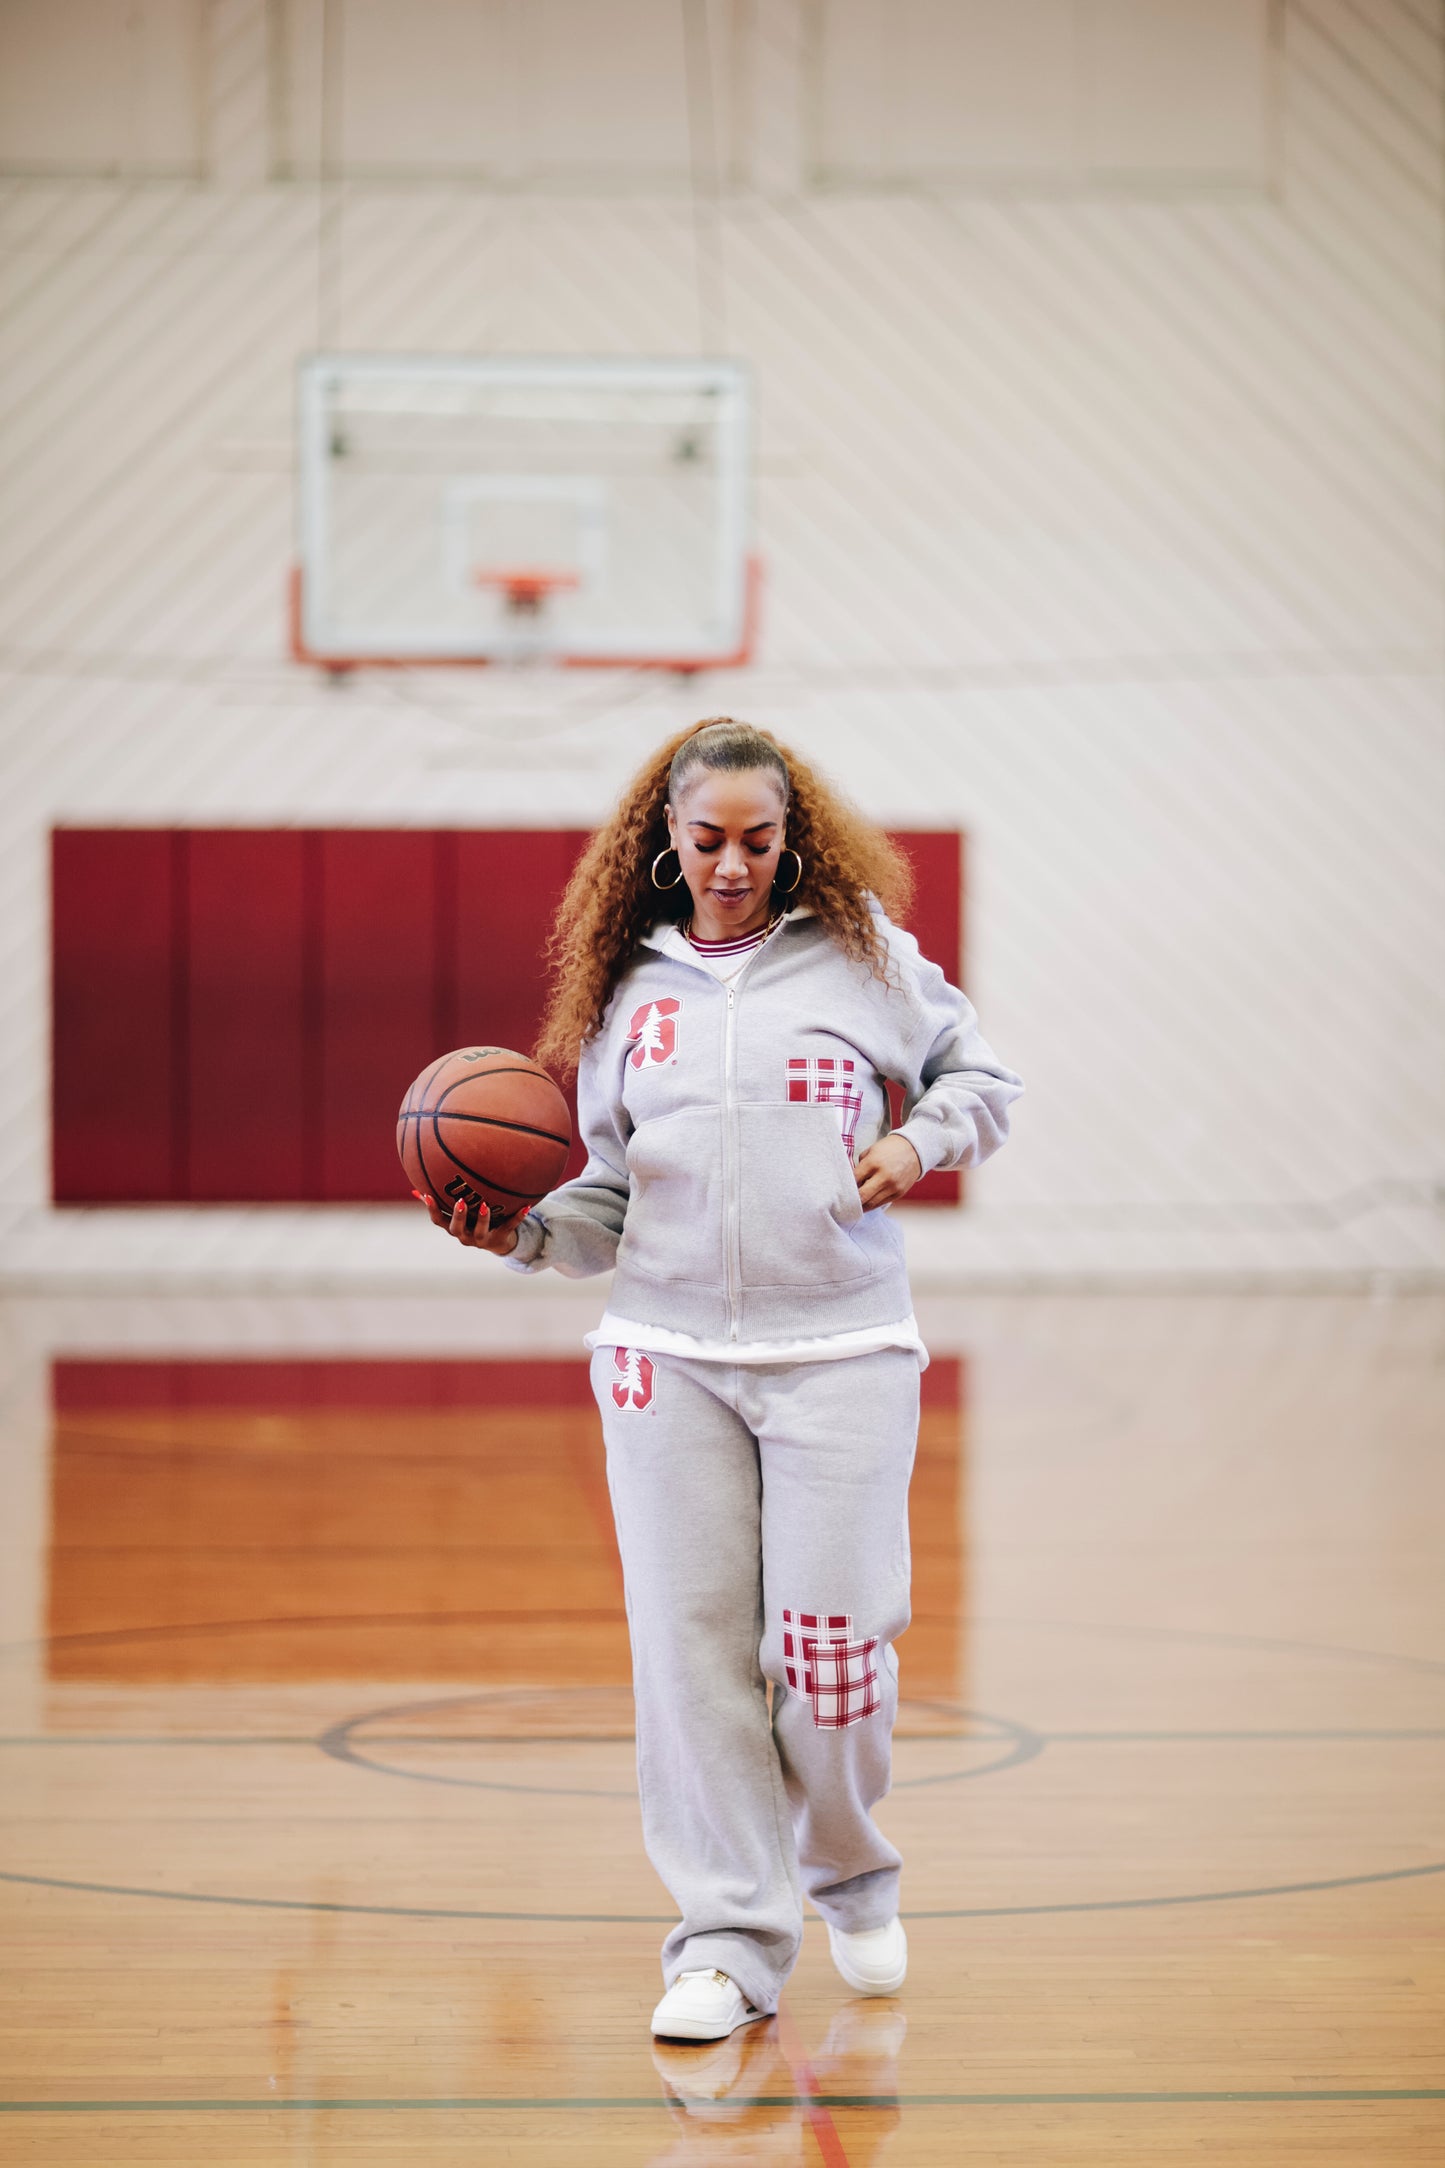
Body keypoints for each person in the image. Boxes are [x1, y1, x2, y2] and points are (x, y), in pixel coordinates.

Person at [423, 719, 1022, 2041]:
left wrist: (916, 1142)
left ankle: (849, 1870)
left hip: (842, 1350)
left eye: (760, 840)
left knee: (832, 1648)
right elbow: (601, 1197)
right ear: (664, 843)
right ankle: (726, 1947)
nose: (736, 864)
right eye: (709, 841)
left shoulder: (863, 954)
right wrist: (521, 1231)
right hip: (665, 1359)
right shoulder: (626, 989)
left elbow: (979, 1076)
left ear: (791, 836)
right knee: (689, 1663)